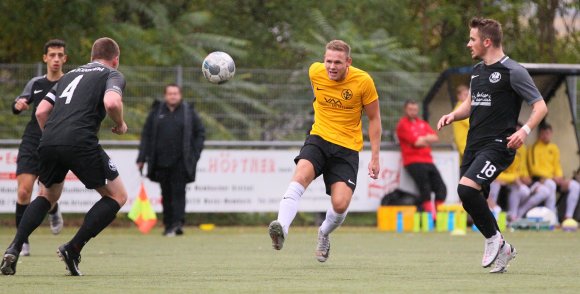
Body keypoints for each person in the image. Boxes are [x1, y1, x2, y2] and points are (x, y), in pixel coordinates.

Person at [1, 37, 128, 276]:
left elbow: (41, 111)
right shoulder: (112, 74)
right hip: (80, 140)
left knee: (46, 195)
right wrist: (120, 123)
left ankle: (14, 247)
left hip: (48, 139)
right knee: (118, 196)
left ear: (91, 57)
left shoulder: (68, 76)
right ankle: (73, 247)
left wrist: (53, 137)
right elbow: (111, 102)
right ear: (116, 60)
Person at [437, 17, 548, 274]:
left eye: (472, 39)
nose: (468, 44)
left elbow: (540, 106)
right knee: (472, 200)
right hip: (474, 144)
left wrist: (525, 130)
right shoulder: (477, 71)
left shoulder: (514, 71)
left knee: (465, 190)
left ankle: (493, 240)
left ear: (487, 41)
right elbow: (471, 104)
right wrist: (454, 115)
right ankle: (504, 248)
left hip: (499, 145)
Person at [268, 40, 381, 262]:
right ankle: (281, 228)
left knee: (340, 204)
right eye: (328, 61)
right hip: (319, 138)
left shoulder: (363, 81)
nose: (331, 66)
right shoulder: (314, 72)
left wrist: (375, 157)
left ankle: (324, 233)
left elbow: (374, 118)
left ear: (348, 62)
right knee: (300, 175)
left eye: (337, 62)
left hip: (346, 148)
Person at [10, 39, 67, 256]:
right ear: (45, 58)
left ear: (65, 58)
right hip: (33, 139)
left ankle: (54, 210)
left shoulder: (69, 82)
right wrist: (18, 105)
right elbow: (18, 103)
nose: (55, 59)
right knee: (24, 191)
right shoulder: (35, 83)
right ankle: (21, 241)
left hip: (55, 142)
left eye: (59, 55)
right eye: (51, 55)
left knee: (46, 195)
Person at [137, 84, 205, 236]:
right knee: (166, 194)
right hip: (161, 161)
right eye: (170, 93)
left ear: (180, 95)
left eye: (175, 93)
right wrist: (141, 158)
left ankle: (178, 224)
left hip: (181, 162)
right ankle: (168, 225)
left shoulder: (189, 112)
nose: (173, 96)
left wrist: (195, 154)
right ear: (165, 95)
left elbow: (200, 133)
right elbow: (146, 135)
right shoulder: (156, 112)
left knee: (179, 193)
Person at [396, 99, 446, 216]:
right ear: (405, 110)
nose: (413, 112)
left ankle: (439, 216)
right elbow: (417, 142)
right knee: (425, 188)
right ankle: (430, 217)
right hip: (413, 161)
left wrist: (422, 139)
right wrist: (425, 139)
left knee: (441, 188)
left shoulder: (422, 123)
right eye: (410, 109)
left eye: (415, 109)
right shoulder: (403, 124)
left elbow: (435, 137)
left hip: (428, 160)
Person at [522, 123, 579, 221]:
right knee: (551, 184)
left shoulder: (554, 148)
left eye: (548, 133)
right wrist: (552, 177)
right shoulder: (534, 148)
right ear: (540, 134)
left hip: (554, 179)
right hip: (540, 180)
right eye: (544, 133)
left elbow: (557, 165)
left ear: (551, 134)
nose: (546, 136)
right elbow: (534, 169)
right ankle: (551, 218)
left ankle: (568, 217)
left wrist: (559, 177)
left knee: (575, 186)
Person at [486, 123, 533, 220]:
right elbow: (494, 172)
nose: (518, 136)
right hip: (497, 179)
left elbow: (521, 172)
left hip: (511, 181)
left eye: (520, 133)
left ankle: (513, 216)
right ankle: (491, 213)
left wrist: (523, 178)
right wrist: (513, 178)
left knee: (522, 190)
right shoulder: (501, 146)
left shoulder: (522, 149)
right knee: (495, 184)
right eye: (516, 132)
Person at [452, 84, 470, 159]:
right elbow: (473, 122)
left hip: (466, 147)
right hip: (465, 147)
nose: (469, 97)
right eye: (466, 95)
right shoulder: (460, 110)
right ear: (459, 96)